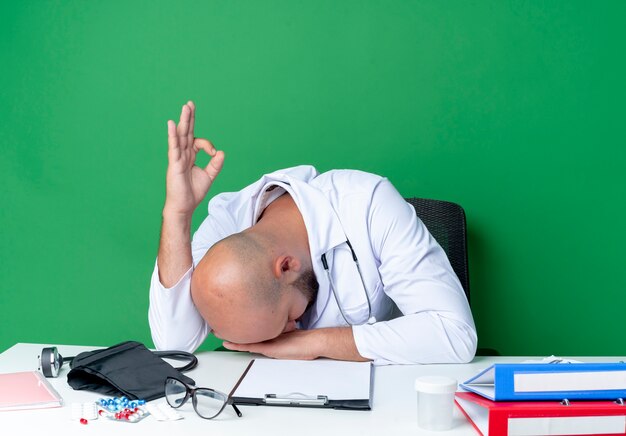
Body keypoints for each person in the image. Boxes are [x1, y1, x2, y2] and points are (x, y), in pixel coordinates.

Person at [149, 101, 477, 365]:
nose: (287, 335)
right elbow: (173, 345)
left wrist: (313, 342)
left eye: (286, 321)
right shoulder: (228, 227)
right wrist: (177, 215)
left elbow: (455, 334)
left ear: (287, 266)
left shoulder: (368, 204)